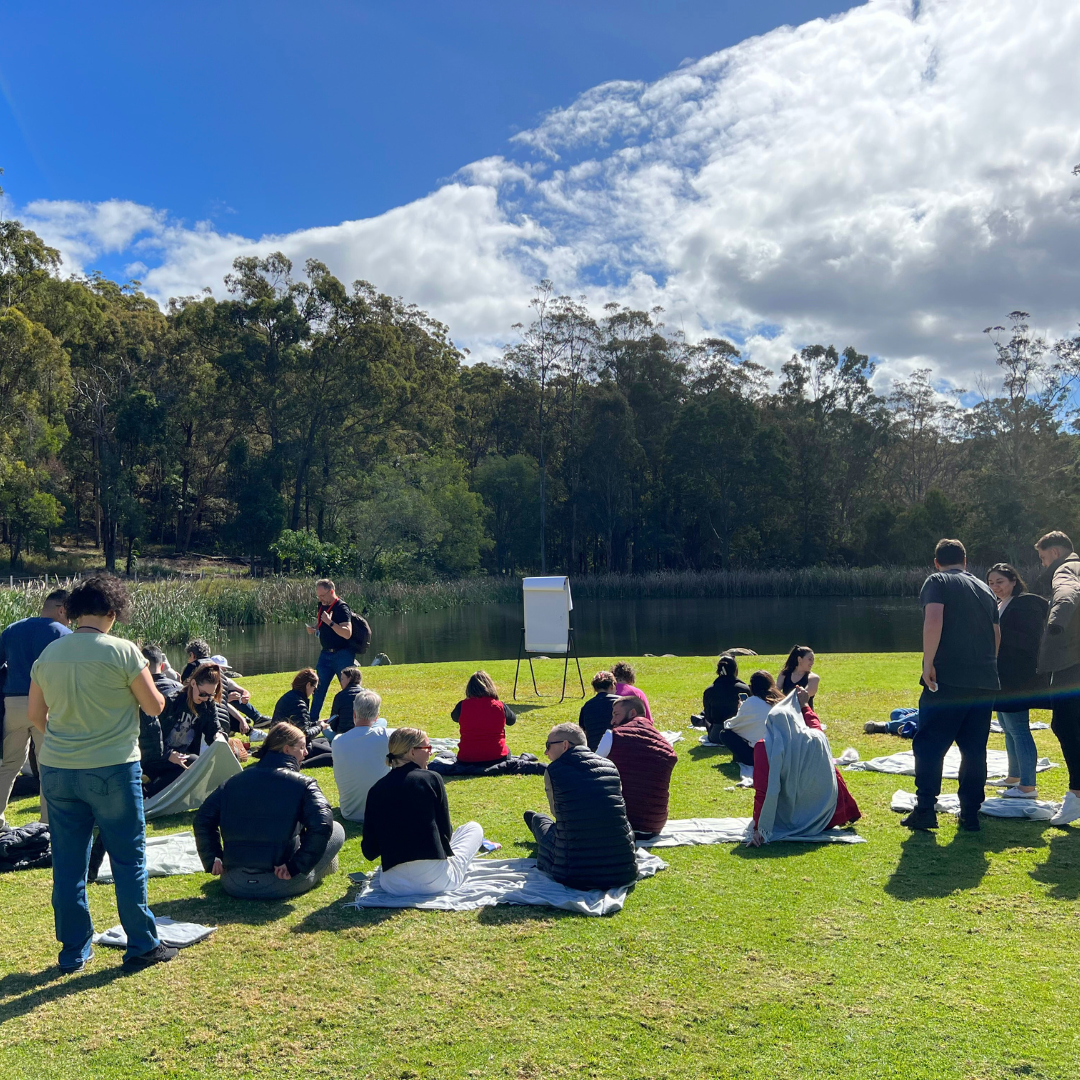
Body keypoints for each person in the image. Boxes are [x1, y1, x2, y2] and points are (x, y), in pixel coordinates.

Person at [28, 574, 177, 972]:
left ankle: (74, 949)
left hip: (58, 769)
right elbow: (155, 707)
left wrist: (68, 738)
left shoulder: (49, 655)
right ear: (113, 611)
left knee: (68, 864)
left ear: (75, 611)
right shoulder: (123, 651)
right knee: (128, 859)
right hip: (112, 767)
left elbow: (34, 718)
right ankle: (142, 943)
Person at [902, 538, 999, 832]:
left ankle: (926, 809)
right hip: (984, 680)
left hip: (949, 677)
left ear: (936, 562)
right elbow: (996, 633)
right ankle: (970, 813)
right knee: (974, 749)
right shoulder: (985, 588)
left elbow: (934, 620)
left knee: (930, 744)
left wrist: (927, 662)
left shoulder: (938, 580)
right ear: (965, 561)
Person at [194, 722, 344, 899]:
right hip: (280, 880)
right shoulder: (303, 784)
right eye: (302, 747)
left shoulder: (232, 782)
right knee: (337, 829)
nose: (306, 753)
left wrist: (213, 858)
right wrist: (295, 866)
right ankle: (322, 867)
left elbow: (202, 819)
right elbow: (323, 825)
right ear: (287, 750)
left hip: (233, 881)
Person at [361, 727, 484, 896]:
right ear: (412, 752)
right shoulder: (432, 778)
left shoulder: (375, 790)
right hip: (436, 880)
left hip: (393, 884)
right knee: (473, 828)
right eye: (427, 748)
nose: (430, 753)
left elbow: (369, 850)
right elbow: (446, 835)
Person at [524, 722, 638, 891]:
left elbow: (557, 813)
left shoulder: (554, 770)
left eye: (548, 746)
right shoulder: (610, 766)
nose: (546, 752)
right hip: (624, 870)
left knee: (541, 821)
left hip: (574, 873)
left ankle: (534, 820)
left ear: (565, 745)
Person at [748, 688, 861, 845]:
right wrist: (805, 705)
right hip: (822, 815)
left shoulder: (765, 746)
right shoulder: (815, 738)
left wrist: (760, 827)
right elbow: (815, 725)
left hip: (791, 816)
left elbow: (764, 790)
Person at [0, 588, 71, 827]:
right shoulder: (63, 634)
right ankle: (48, 822)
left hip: (13, 703)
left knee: (10, 764)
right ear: (61, 610)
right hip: (45, 703)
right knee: (47, 764)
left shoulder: (12, 629)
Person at [986, 563, 1049, 798]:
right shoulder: (1001, 604)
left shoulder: (1025, 603)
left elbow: (1030, 642)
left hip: (1017, 677)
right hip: (1002, 675)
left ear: (1013, 581)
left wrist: (995, 633)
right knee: (1007, 727)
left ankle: (1028, 786)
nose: (995, 587)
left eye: (1000, 582)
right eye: (991, 583)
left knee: (1019, 729)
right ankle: (1014, 776)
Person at [1035, 531, 1080, 825]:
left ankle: (1075, 797)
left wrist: (1055, 623)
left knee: (1065, 724)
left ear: (1054, 552)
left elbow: (1067, 595)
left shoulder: (1065, 568)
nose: (1042, 565)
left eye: (1042, 558)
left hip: (1072, 661)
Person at [142, 662, 230, 796]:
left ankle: (152, 785)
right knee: (191, 764)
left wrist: (219, 736)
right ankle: (148, 791)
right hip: (157, 756)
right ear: (193, 683)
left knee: (197, 764)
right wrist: (168, 754)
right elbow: (150, 738)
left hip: (181, 756)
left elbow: (213, 729)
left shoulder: (207, 704)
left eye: (210, 695)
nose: (205, 698)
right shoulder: (172, 701)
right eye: (203, 694)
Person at [598, 697, 678, 838]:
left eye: (616, 714)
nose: (612, 721)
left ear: (632, 713)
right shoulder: (664, 744)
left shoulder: (613, 736)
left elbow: (589, 769)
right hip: (655, 824)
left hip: (622, 821)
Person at [332, 689, 389, 822]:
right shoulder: (386, 736)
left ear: (354, 714)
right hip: (380, 812)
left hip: (349, 812)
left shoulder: (337, 741)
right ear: (376, 717)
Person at [305, 579, 354, 724]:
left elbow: (347, 633)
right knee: (317, 689)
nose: (320, 599)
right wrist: (315, 628)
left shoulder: (342, 607)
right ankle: (311, 722)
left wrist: (330, 623)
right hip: (325, 654)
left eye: (323, 596)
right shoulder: (322, 605)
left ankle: (354, 720)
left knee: (349, 689)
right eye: (318, 596)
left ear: (331, 591)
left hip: (342, 654)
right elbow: (323, 625)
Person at [450, 671, 519, 765]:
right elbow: (512, 721)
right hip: (497, 756)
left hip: (467, 758)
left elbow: (454, 717)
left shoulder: (462, 706)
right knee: (506, 750)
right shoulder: (499, 706)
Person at [717, 671, 782, 769]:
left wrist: (741, 710)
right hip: (781, 752)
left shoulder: (752, 702)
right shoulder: (781, 701)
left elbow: (732, 725)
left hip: (760, 753)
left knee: (725, 734)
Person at [272, 668, 333, 768]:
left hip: (282, 742)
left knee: (324, 741)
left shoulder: (290, 696)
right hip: (291, 747)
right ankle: (301, 764)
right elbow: (306, 734)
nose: (313, 692)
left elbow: (300, 725)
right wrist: (321, 727)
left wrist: (316, 723)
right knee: (332, 756)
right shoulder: (299, 703)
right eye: (314, 688)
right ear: (308, 685)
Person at [702, 655, 751, 745]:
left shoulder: (709, 691)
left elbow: (708, 717)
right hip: (742, 734)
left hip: (717, 735)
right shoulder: (744, 689)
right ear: (736, 670)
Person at [578, 671, 619, 752]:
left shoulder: (587, 706)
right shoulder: (620, 703)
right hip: (616, 747)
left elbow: (583, 732)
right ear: (612, 686)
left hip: (594, 750)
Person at [328, 666, 364, 740]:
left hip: (343, 734)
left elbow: (333, 722)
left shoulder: (340, 696)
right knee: (382, 721)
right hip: (364, 732)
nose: (340, 682)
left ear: (349, 678)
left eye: (342, 679)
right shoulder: (367, 694)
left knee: (324, 728)